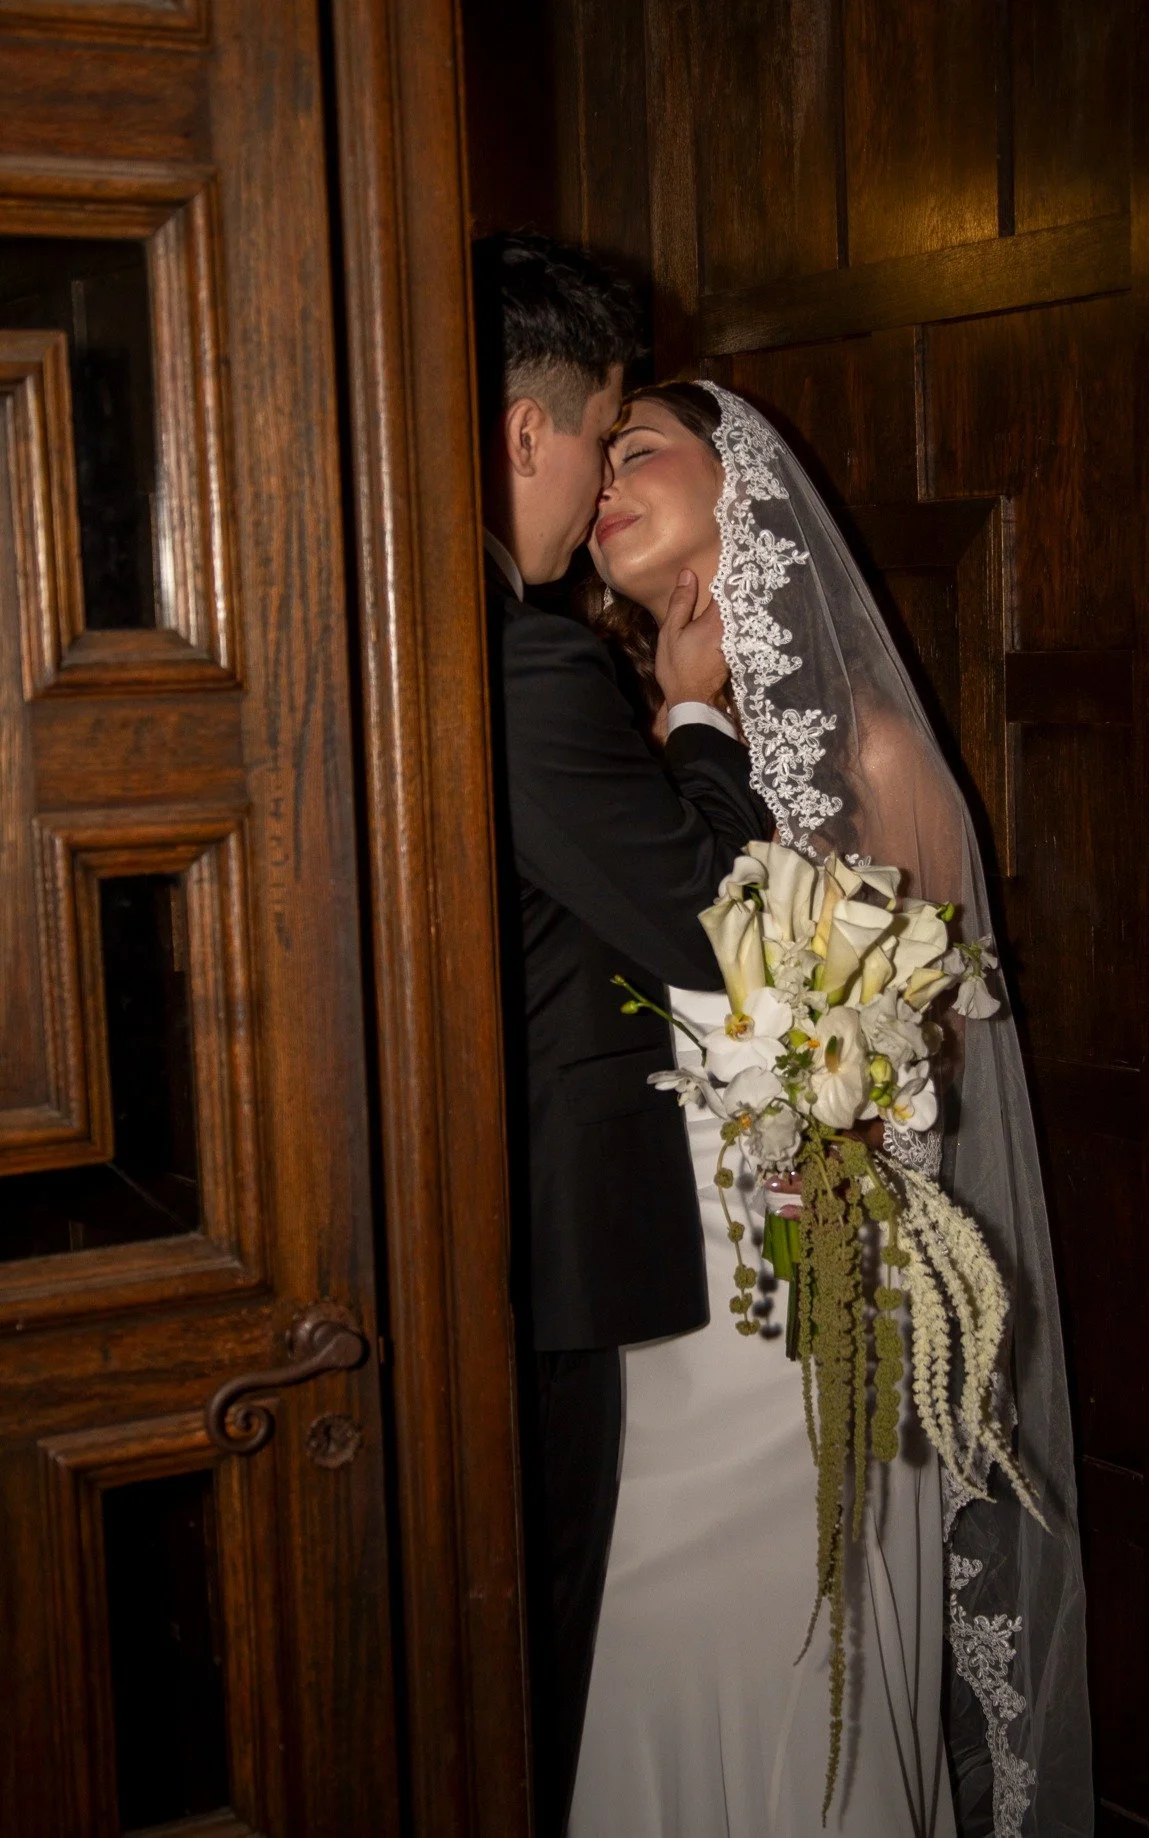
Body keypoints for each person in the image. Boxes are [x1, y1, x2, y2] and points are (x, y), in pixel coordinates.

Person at [568, 381, 1093, 1838]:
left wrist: (836, 1145)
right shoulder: (621, 741)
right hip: (646, 1319)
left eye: (640, 451)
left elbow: (935, 1054)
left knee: (800, 1678)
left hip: (805, 1320)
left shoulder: (867, 755)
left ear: (739, 487)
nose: (607, 480)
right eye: (593, 457)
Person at [471, 237, 772, 1835]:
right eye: (606, 431)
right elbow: (716, 913)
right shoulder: (521, 653)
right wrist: (701, 711)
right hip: (549, 1240)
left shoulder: (505, 637)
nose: (599, 478)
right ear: (536, 433)